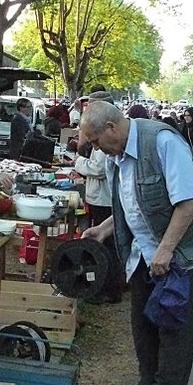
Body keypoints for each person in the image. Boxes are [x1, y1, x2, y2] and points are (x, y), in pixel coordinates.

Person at [80, 101, 193, 385]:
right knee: (143, 322)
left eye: (95, 141)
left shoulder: (162, 141)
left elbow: (189, 200)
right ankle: (148, 383)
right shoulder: (115, 155)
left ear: (111, 128)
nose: (94, 148)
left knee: (175, 325)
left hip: (187, 251)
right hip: (147, 250)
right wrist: (105, 229)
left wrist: (166, 250)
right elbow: (130, 201)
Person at [72, 90, 124, 305]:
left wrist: (77, 163)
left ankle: (108, 289)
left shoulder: (107, 139)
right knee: (105, 244)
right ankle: (107, 287)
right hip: (99, 197)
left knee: (107, 247)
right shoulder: (101, 134)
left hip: (105, 199)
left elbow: (98, 168)